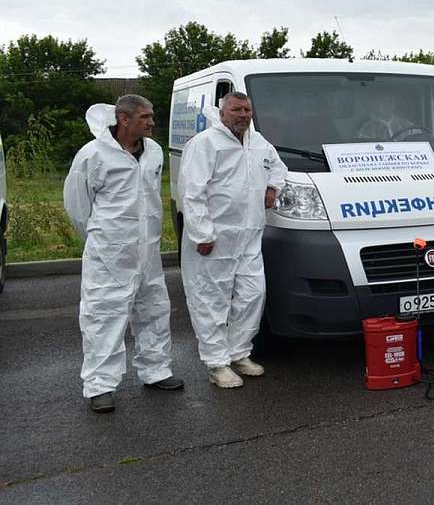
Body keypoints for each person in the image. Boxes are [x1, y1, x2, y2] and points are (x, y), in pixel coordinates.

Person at [64, 95, 184, 413]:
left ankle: (156, 370)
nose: (152, 122)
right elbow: (78, 206)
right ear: (125, 119)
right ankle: (99, 386)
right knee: (104, 316)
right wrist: (102, 238)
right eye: (145, 117)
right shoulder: (93, 155)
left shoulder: (154, 152)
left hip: (148, 250)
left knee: (154, 310)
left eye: (152, 116)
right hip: (109, 254)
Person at [179, 91, 288, 388]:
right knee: (211, 299)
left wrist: (273, 188)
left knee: (252, 295)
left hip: (249, 235)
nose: (243, 115)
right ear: (223, 112)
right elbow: (192, 191)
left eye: (247, 109)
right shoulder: (205, 144)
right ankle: (216, 363)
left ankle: (240, 352)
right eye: (237, 109)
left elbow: (278, 167)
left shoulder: (258, 141)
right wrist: (202, 233)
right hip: (215, 238)